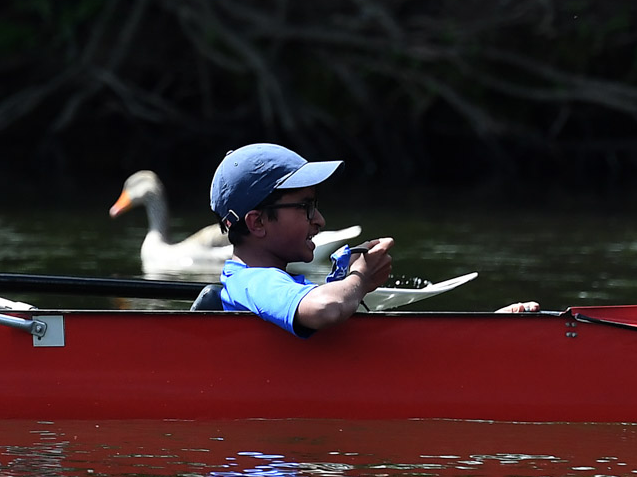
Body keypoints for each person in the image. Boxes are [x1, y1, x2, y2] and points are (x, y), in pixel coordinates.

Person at [208, 143, 534, 336]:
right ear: (257, 222)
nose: (319, 221)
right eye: (305, 207)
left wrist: (486, 333)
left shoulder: (271, 282)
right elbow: (326, 309)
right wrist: (359, 278)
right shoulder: (253, 281)